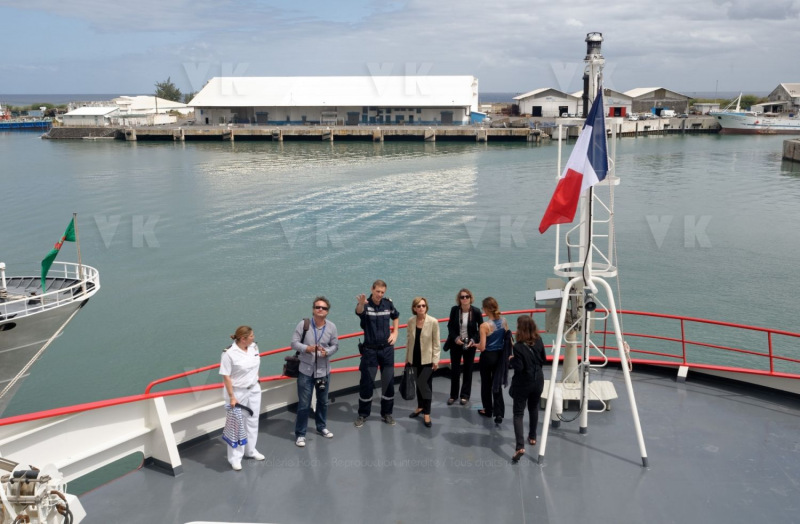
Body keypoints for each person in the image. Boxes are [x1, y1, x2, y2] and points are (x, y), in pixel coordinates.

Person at [291, 296, 339, 448]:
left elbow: (335, 345)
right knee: (304, 405)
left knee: (323, 402)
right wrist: (307, 348)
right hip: (305, 371)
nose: (320, 310)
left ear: (327, 311)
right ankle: (300, 434)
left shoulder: (331, 327)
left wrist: (328, 352)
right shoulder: (303, 325)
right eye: (318, 307)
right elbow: (294, 343)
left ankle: (321, 427)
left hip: (323, 370)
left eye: (323, 308)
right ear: (313, 309)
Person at [354, 279, 400, 427]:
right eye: (377, 291)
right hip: (370, 351)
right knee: (367, 383)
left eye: (382, 292)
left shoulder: (388, 304)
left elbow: (396, 316)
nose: (380, 294)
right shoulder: (365, 305)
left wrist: (396, 332)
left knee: (388, 382)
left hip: (387, 350)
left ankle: (387, 413)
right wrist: (361, 303)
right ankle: (363, 414)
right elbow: (359, 312)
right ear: (372, 290)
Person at [220, 325, 265, 471]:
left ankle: (251, 450)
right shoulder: (229, 354)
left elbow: (256, 364)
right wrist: (232, 397)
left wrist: (256, 379)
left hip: (254, 389)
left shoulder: (254, 348)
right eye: (251, 336)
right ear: (243, 339)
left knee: (253, 420)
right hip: (237, 393)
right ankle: (235, 458)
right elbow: (226, 376)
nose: (254, 338)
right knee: (237, 425)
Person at [509, 315, 546, 462]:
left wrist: (511, 360)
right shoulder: (539, 340)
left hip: (523, 382)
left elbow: (519, 367)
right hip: (538, 380)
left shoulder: (518, 347)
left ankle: (520, 447)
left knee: (518, 413)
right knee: (533, 408)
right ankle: (532, 437)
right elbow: (543, 359)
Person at [405, 296, 441, 428]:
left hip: (427, 359)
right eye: (418, 306)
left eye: (423, 306)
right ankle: (420, 407)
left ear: (426, 307)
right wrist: (407, 358)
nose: (421, 308)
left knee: (425, 385)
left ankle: (427, 413)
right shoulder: (411, 321)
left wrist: (436, 360)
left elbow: (436, 343)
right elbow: (409, 340)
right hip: (414, 359)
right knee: (418, 384)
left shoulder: (433, 322)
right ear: (414, 308)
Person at [445, 288, 483, 406]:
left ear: (470, 298)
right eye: (462, 297)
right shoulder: (454, 310)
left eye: (467, 296)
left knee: (468, 369)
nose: (465, 299)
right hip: (456, 344)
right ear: (459, 299)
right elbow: (450, 326)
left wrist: (473, 340)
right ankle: (453, 395)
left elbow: (480, 329)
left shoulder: (476, 312)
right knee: (455, 370)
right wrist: (456, 338)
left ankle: (465, 395)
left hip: (470, 344)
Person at [476, 297, 509, 424]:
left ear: (485, 309)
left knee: (486, 384)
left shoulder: (484, 326)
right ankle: (499, 413)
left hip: (487, 357)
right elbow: (506, 337)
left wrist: (475, 345)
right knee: (496, 384)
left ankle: (488, 410)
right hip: (499, 356)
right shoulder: (504, 321)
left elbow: (483, 347)